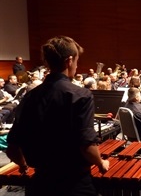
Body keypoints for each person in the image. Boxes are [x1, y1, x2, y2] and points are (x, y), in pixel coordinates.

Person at [6, 36, 109, 196]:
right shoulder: (80, 95)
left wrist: (23, 165)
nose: (76, 65)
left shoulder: (31, 96)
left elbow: (12, 147)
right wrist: (101, 163)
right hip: (74, 185)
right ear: (69, 61)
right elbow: (87, 146)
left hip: (40, 185)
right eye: (76, 60)